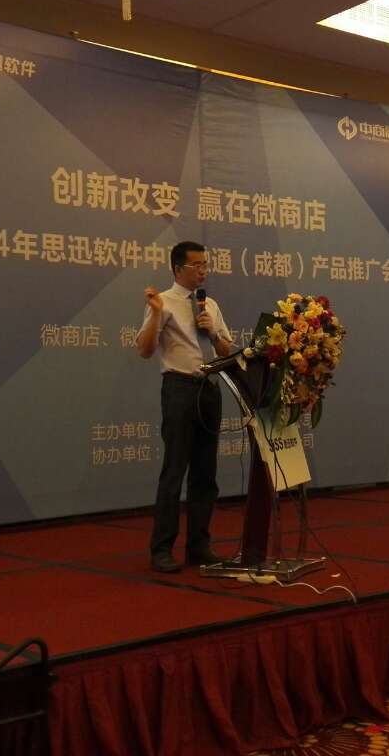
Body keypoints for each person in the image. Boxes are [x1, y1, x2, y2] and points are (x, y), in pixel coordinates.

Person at [136, 241, 236, 573]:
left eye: (206, 264)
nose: (203, 270)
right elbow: (144, 350)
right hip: (179, 388)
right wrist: (155, 315)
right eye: (197, 265)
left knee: (206, 474)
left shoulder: (211, 304)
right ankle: (162, 549)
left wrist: (213, 332)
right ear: (178, 269)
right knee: (174, 471)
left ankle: (199, 546)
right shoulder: (162, 302)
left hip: (210, 388)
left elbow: (226, 350)